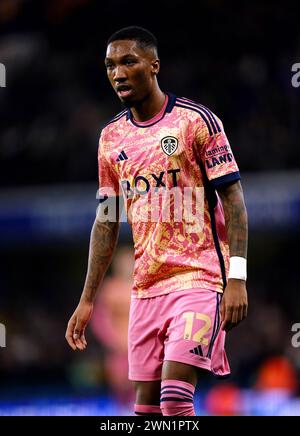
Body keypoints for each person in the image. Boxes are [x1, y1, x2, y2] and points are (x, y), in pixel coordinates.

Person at [65, 26, 248, 416]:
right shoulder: (111, 139)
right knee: (145, 412)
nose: (118, 73)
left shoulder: (196, 122)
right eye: (110, 65)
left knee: (176, 399)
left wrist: (238, 277)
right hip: (145, 289)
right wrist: (86, 300)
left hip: (198, 279)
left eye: (128, 61)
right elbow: (106, 221)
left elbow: (233, 201)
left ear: (154, 65)